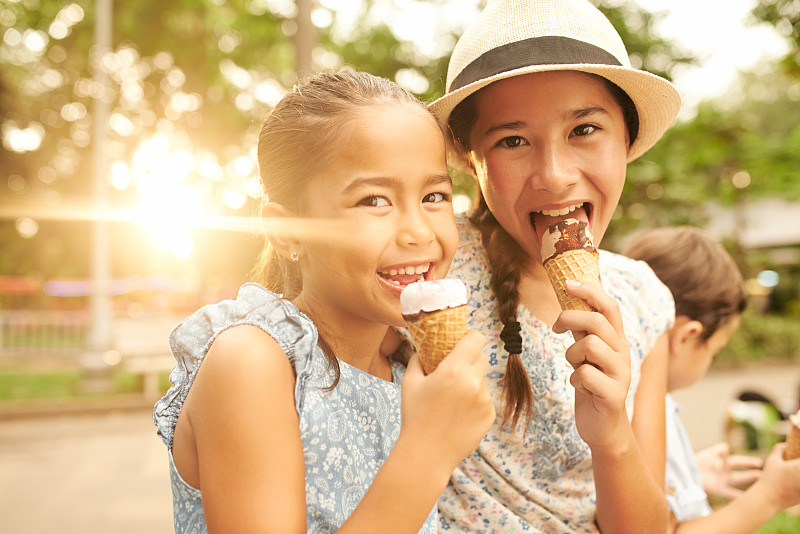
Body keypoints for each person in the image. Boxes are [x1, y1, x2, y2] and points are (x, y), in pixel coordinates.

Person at [153, 70, 495, 533]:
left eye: (434, 195)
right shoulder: (252, 363)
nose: (419, 231)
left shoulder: (404, 365)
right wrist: (428, 449)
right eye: (374, 200)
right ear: (289, 230)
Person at [425, 0, 681, 531]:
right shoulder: (429, 268)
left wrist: (613, 437)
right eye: (512, 140)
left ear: (627, 140)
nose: (555, 175)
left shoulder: (644, 297)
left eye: (584, 129)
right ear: (472, 160)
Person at [623, 225, 800, 533]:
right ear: (687, 337)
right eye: (715, 350)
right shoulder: (646, 416)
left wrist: (688, 477)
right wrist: (771, 496)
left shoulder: (615, 400)